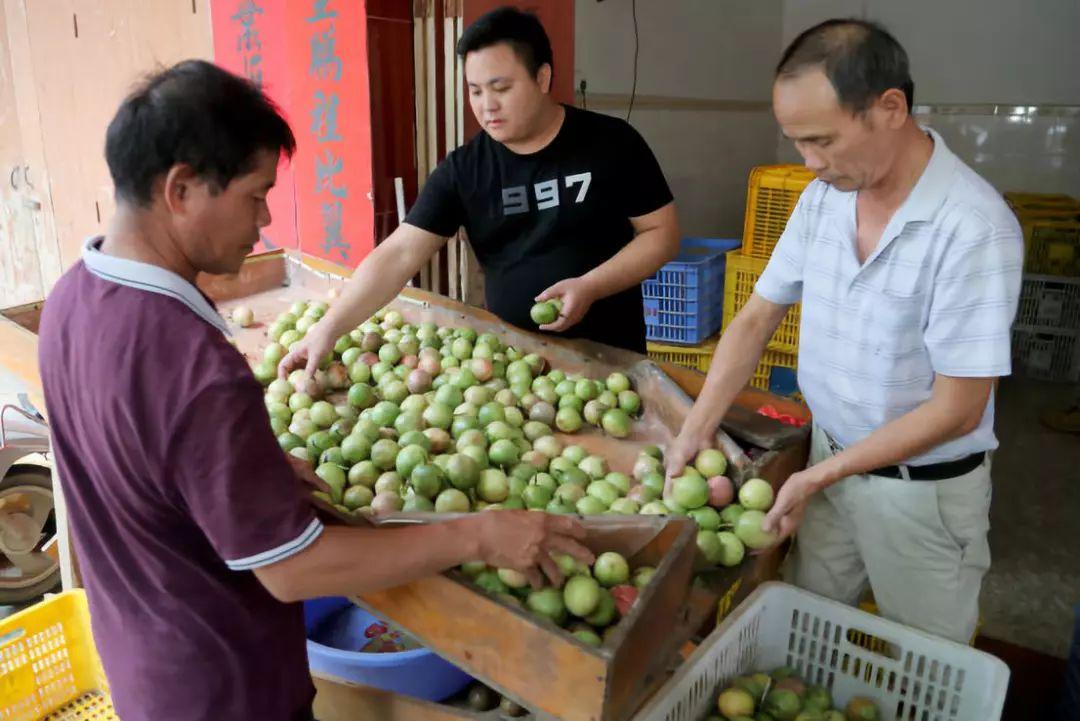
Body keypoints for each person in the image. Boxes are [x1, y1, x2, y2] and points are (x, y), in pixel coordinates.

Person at [37, 60, 592, 721]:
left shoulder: (72, 297)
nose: (264, 219)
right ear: (181, 189)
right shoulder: (194, 366)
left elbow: (133, 465)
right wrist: (479, 536)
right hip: (228, 690)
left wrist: (248, 477)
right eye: (254, 195)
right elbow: (294, 569)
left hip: (144, 668)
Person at [665, 20, 1022, 644]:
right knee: (802, 628)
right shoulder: (823, 198)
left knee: (926, 659)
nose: (809, 161)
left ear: (890, 108)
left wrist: (817, 478)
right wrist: (695, 428)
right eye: (798, 142)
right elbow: (755, 319)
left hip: (921, 498)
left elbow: (959, 409)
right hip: (829, 457)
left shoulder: (973, 227)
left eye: (823, 140)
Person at [280, 5, 679, 379]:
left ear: (542, 78)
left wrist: (591, 286)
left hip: (613, 363)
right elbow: (398, 253)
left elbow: (661, 234)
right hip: (514, 368)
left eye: (500, 88)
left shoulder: (612, 143)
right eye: (475, 91)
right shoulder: (465, 170)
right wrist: (327, 329)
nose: (487, 106)